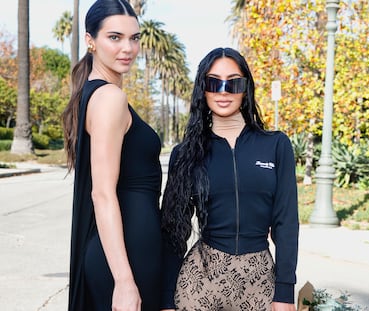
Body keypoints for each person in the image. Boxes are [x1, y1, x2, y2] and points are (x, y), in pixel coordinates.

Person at [160, 47, 299, 311]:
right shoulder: (186, 154)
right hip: (200, 285)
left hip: (260, 284)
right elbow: (172, 232)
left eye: (233, 83)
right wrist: (166, 300)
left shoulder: (276, 145)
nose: (223, 91)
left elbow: (287, 224)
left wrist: (285, 293)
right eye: (214, 82)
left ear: (245, 89)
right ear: (203, 89)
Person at [62, 1, 162, 310]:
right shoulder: (109, 98)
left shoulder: (93, 93)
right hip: (125, 258)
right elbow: (102, 193)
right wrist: (123, 280)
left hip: (129, 251)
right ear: (90, 40)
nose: (128, 48)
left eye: (134, 38)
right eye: (115, 37)